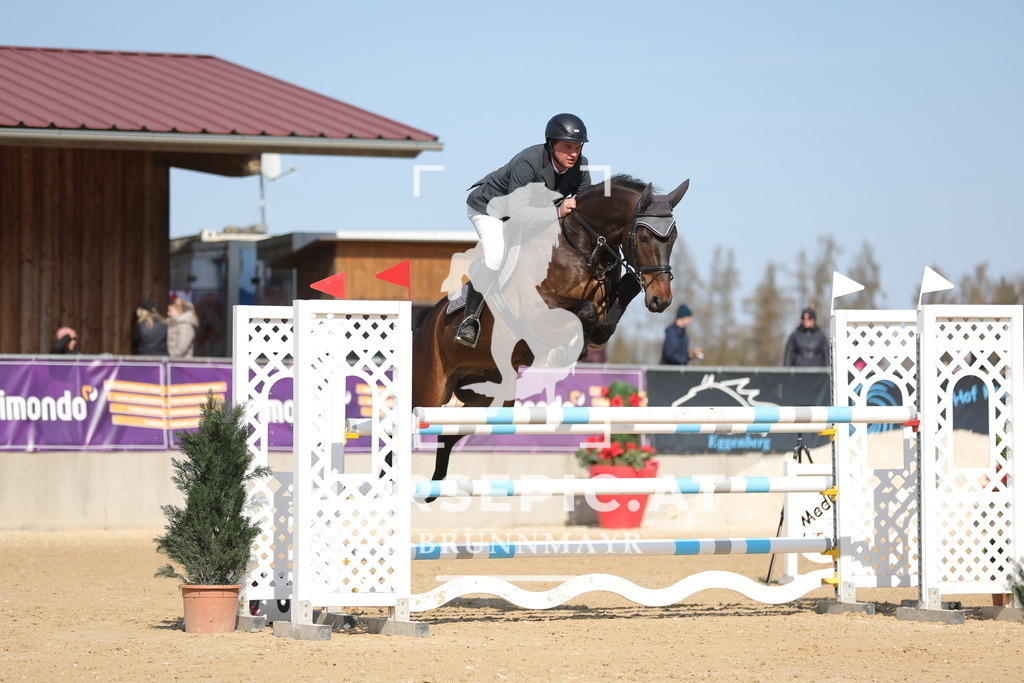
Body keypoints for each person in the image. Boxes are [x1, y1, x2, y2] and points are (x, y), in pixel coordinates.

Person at [455, 113, 592, 347]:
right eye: (567, 146)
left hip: (529, 214)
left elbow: (584, 204)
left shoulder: (581, 165)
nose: (574, 153)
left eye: (577, 147)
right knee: (497, 257)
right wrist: (557, 212)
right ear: (551, 144)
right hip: (490, 210)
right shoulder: (528, 161)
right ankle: (469, 320)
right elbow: (517, 214)